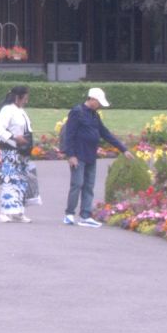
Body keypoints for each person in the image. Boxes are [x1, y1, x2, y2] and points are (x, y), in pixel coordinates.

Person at [59, 86, 127, 227]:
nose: (100, 105)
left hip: (91, 155)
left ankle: (85, 216)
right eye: (99, 102)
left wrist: (123, 149)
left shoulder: (95, 115)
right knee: (77, 184)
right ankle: (69, 214)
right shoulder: (77, 112)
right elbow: (69, 134)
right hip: (78, 155)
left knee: (89, 186)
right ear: (92, 99)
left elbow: (105, 133)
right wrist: (71, 155)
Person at [0, 85, 34, 223]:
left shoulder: (20, 111)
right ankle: (5, 212)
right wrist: (13, 137)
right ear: (18, 97)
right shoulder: (7, 110)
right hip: (10, 150)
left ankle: (18, 211)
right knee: (9, 181)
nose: (26, 101)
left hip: (22, 151)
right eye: (25, 98)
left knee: (21, 181)